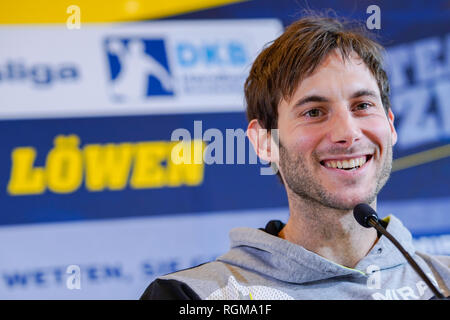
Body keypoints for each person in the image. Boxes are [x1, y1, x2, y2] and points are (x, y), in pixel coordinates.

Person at [140, 15, 450, 300]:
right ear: (264, 142)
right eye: (314, 112)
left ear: (391, 126)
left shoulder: (444, 281)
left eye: (363, 106)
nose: (348, 132)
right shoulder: (194, 296)